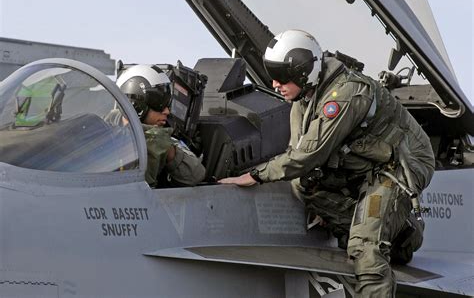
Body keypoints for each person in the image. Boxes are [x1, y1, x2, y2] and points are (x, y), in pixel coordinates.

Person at [219, 29, 435, 297]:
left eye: (282, 77)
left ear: (302, 72)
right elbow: (298, 154)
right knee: (305, 185)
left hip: (399, 164)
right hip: (365, 161)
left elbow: (308, 155)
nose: (275, 85)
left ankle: (380, 239)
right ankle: (402, 234)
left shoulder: (345, 94)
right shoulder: (304, 100)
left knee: (364, 247)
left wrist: (255, 175)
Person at [115, 64, 205, 187]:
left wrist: (168, 150)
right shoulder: (102, 130)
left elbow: (196, 175)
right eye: (160, 103)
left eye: (168, 104)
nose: (167, 111)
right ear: (136, 104)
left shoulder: (163, 139)